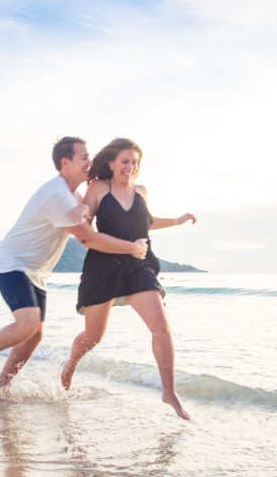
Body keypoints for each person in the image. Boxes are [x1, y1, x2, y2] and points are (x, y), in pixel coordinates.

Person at [0, 137, 149, 395]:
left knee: (35, 335)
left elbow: (90, 224)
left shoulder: (73, 195)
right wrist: (132, 248)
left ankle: (1, 385)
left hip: (35, 272)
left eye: (90, 157)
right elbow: (88, 239)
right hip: (11, 264)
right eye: (83, 157)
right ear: (65, 163)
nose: (90, 162)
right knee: (27, 325)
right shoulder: (58, 195)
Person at [59, 138, 196, 420]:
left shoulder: (142, 191)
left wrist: (177, 221)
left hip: (138, 265)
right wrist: (82, 210)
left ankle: (169, 392)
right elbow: (86, 214)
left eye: (134, 163)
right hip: (103, 266)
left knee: (161, 325)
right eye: (125, 162)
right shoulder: (98, 188)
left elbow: (146, 222)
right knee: (93, 336)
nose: (130, 168)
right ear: (111, 162)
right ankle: (69, 366)